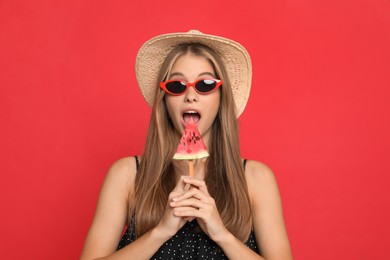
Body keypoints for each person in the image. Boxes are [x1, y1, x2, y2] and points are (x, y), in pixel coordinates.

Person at [80, 30, 293, 260]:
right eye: (177, 85)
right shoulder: (127, 175)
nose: (190, 95)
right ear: (165, 99)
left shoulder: (256, 179)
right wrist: (161, 231)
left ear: (222, 98)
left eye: (205, 84)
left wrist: (222, 234)